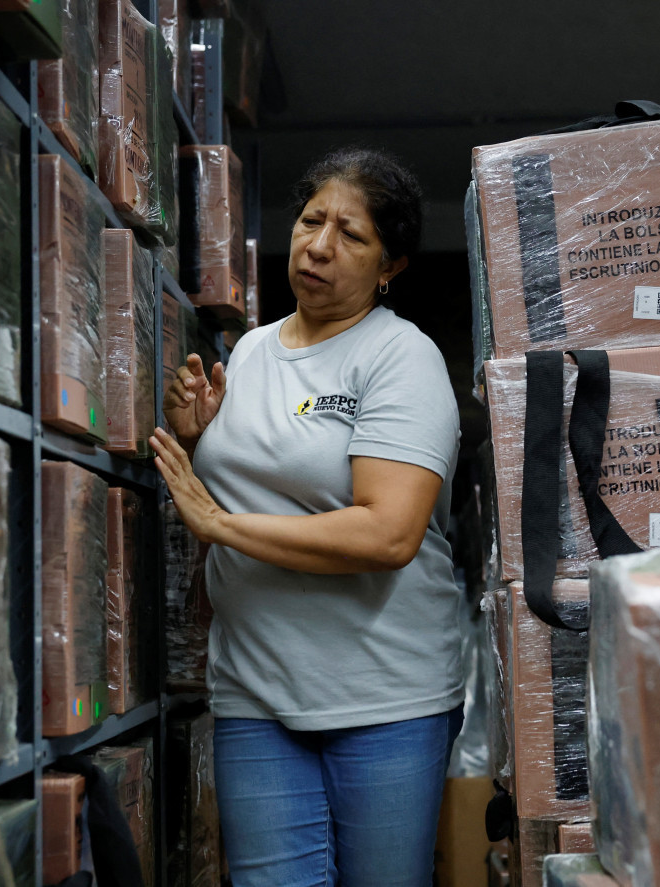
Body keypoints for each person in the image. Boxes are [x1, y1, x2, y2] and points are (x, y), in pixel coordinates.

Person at [150, 146, 464, 887]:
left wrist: (219, 524)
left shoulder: (399, 356)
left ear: (391, 266)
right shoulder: (252, 351)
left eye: (351, 235)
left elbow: (387, 534)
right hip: (258, 690)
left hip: (385, 694)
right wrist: (199, 439)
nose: (319, 245)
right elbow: (259, 479)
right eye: (310, 220)